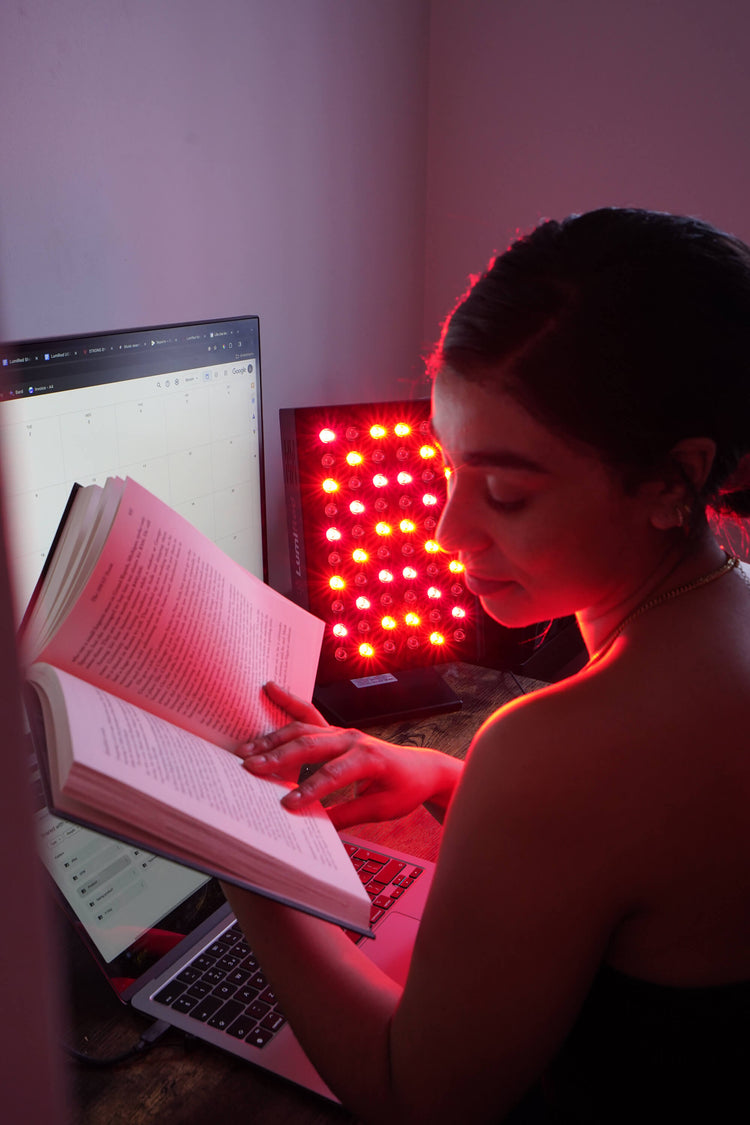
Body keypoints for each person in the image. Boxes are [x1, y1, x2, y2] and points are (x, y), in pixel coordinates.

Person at [225, 208, 750, 1123]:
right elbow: (631, 843)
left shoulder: (559, 749)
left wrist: (240, 857)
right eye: (448, 468)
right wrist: (439, 774)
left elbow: (414, 1092)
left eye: (505, 491)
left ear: (673, 481)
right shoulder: (731, 607)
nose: (446, 530)